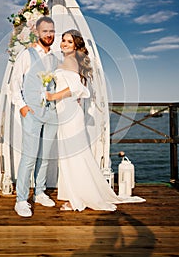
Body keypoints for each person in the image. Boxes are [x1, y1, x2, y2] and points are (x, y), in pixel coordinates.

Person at [46, 29, 145, 211]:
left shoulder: (70, 60)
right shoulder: (69, 60)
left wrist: (53, 96)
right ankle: (73, 193)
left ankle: (77, 197)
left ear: (76, 45)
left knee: (73, 156)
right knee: (72, 155)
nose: (64, 44)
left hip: (69, 113)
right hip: (66, 111)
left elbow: (78, 89)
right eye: (63, 41)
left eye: (69, 41)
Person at [11, 16, 58, 217]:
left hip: (51, 113)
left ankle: (39, 192)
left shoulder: (56, 58)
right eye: (45, 31)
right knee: (29, 156)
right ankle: (21, 199)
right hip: (31, 112)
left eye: (52, 31)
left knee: (45, 155)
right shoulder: (26, 55)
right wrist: (22, 107)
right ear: (37, 33)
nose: (49, 34)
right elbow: (14, 84)